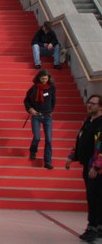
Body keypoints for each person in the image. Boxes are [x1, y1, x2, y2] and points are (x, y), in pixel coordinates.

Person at [65, 94, 102, 242]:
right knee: (93, 197)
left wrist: (96, 166)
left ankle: (93, 227)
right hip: (87, 165)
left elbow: (100, 147)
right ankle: (98, 225)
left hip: (96, 168)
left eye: (93, 103)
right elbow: (80, 140)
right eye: (89, 102)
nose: (89, 105)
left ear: (100, 107)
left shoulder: (100, 124)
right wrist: (71, 156)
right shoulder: (87, 121)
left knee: (95, 198)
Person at [25, 69, 56, 169]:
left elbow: (53, 101)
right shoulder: (34, 88)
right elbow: (26, 101)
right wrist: (31, 109)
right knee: (37, 137)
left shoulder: (52, 88)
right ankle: (33, 151)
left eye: (46, 79)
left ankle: (48, 161)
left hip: (47, 116)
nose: (44, 81)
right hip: (36, 116)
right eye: (42, 78)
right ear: (39, 78)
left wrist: (51, 110)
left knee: (49, 139)